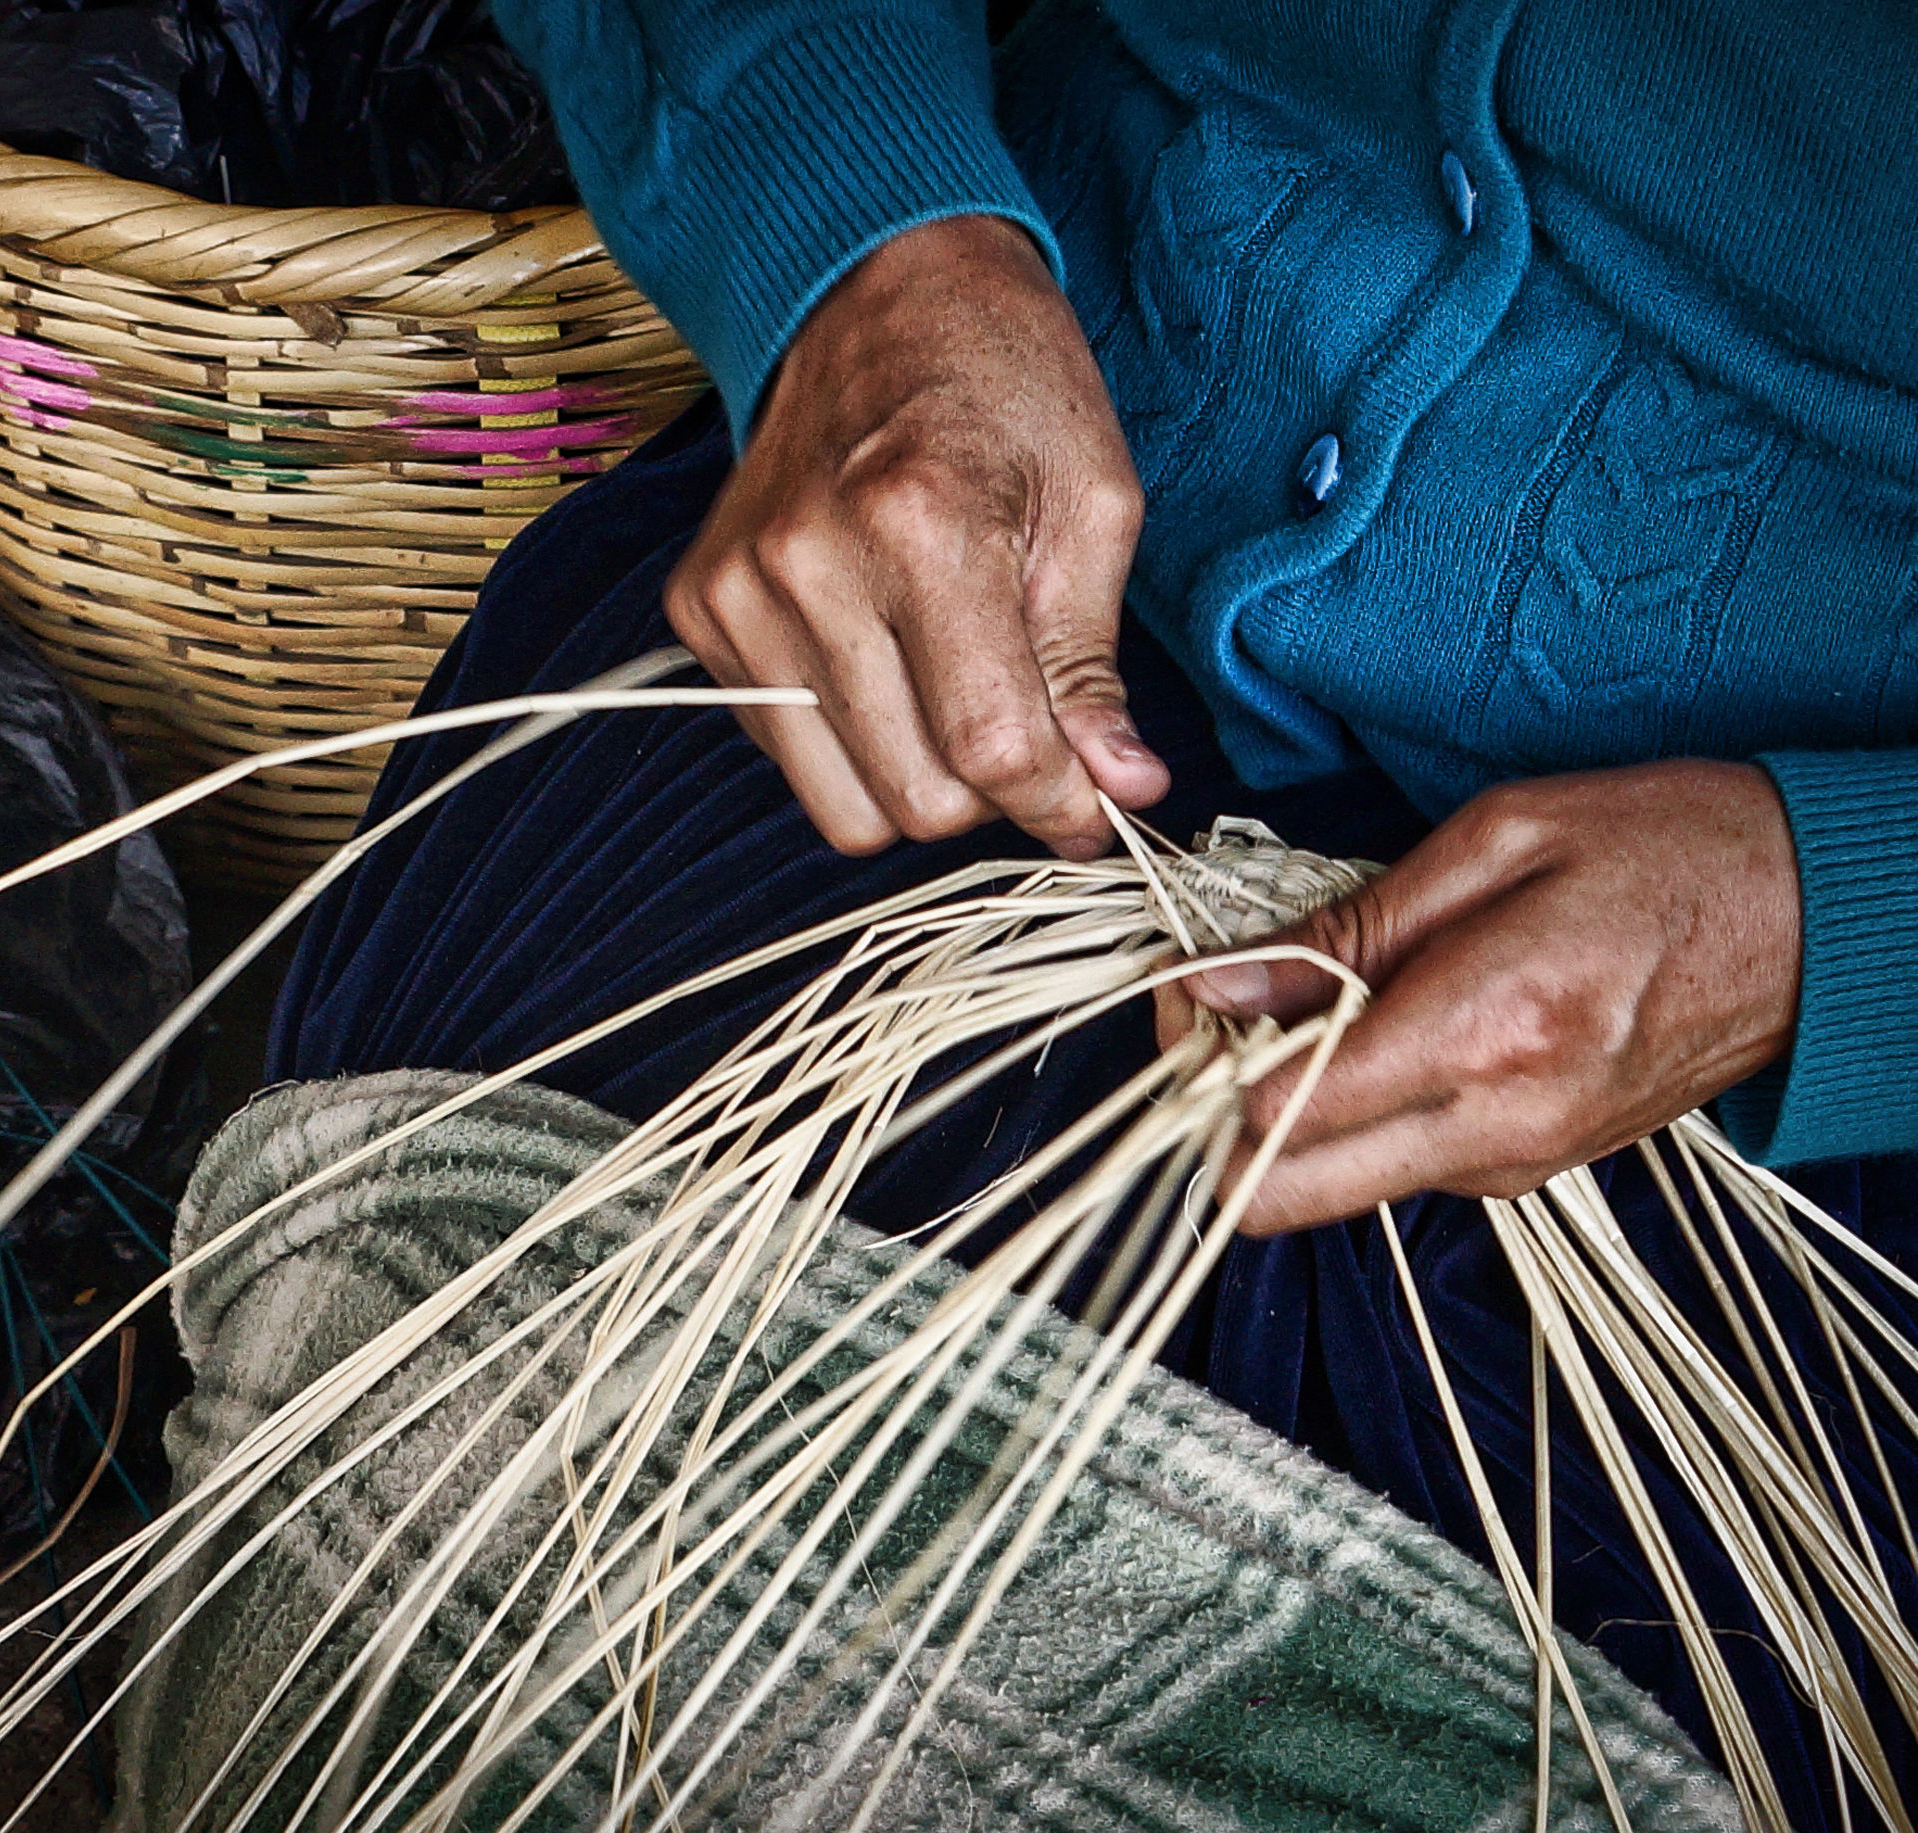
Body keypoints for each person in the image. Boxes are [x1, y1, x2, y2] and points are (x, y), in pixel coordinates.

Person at [266, 0, 1918, 1821]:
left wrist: (1831, 919)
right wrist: (867, 235)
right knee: (426, 1384)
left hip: (1784, 1005)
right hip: (974, 516)